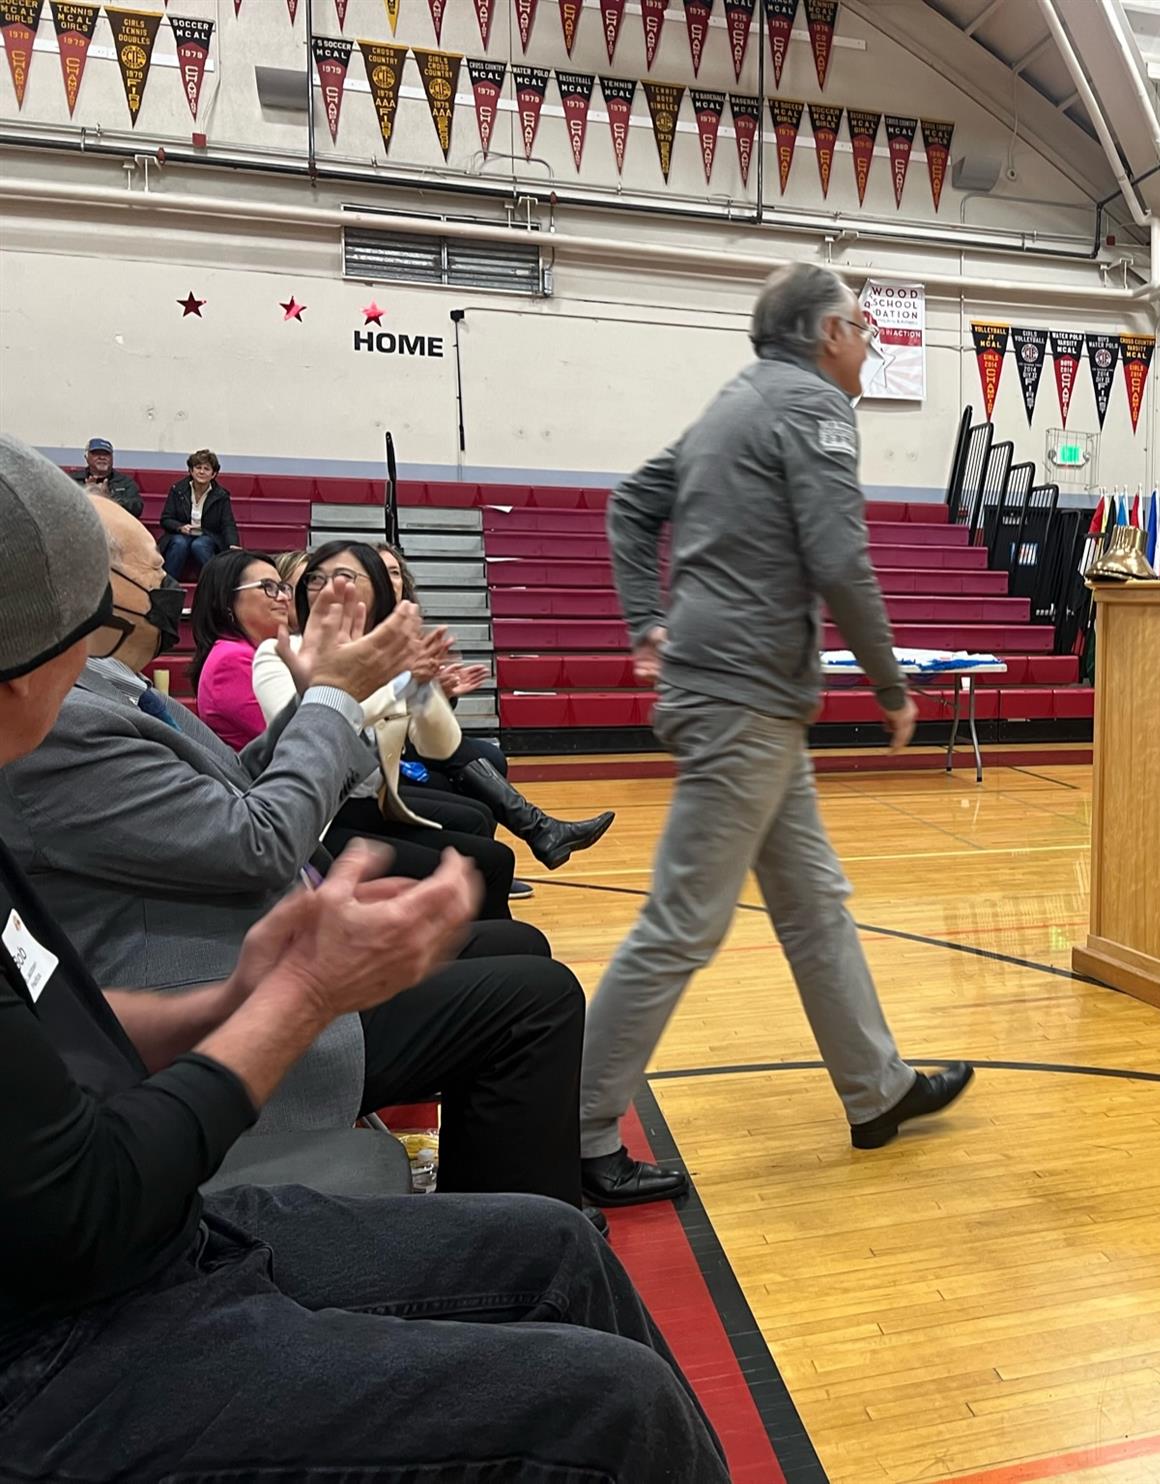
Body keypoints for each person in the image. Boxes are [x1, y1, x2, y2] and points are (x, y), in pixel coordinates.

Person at [0, 436, 730, 1484]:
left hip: (140, 1247)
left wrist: (237, 988)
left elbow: (71, 1028)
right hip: (62, 1355)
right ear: (28, 667)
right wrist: (298, 995)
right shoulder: (73, 727)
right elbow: (89, 1202)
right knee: (620, 1407)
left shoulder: (67, 721)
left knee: (557, 1247)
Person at [0, 492, 650, 1207]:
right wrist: (335, 695)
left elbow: (245, 780)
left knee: (514, 943)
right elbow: (261, 840)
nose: (168, 585)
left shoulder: (112, 692)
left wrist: (343, 692)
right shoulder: (72, 720)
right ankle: (516, 1220)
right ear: (84, 587)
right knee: (535, 995)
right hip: (220, 1001)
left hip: (264, 929)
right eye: (154, 570)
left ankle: (506, 1200)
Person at [579, 263, 973, 1207]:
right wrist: (891, 684)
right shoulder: (814, 406)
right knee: (683, 922)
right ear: (826, 334)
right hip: (743, 699)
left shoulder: (733, 402)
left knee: (813, 904)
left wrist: (646, 622)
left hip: (742, 696)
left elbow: (631, 504)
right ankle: (575, 1124)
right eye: (861, 326)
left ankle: (877, 1090)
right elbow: (840, 558)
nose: (870, 342)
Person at [254, 542, 525, 917]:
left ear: (377, 591)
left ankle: (483, 941)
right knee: (475, 867)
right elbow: (314, 722)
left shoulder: (385, 657)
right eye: (316, 578)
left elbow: (438, 746)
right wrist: (400, 685)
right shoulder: (279, 651)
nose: (330, 588)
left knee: (495, 857)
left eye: (345, 577)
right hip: (321, 821)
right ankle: (471, 945)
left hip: (374, 805)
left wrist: (426, 689)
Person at [376, 540, 617, 870]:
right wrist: (420, 688)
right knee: (466, 764)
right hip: (382, 750)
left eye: (394, 572)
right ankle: (534, 835)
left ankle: (502, 855)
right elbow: (381, 705)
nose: (390, 580)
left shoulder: (408, 630)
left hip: (409, 739)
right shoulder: (365, 633)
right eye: (381, 572)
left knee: (490, 757)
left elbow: (417, 711)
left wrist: (442, 692)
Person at [191, 548, 292, 749]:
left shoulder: (245, 652)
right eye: (268, 587)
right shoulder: (231, 660)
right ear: (227, 599)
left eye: (282, 587)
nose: (283, 597)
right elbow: (296, 737)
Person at [158, 447, 239, 578]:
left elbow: (227, 523)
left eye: (206, 469)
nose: (201, 472)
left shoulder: (221, 495)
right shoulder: (177, 490)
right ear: (191, 470)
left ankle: (216, 580)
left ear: (213, 474)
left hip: (208, 536)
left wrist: (233, 544)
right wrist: (180, 527)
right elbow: (166, 519)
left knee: (200, 544)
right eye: (198, 467)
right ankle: (168, 584)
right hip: (181, 534)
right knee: (179, 543)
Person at [70, 435, 142, 517]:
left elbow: (137, 509)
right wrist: (87, 495)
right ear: (86, 457)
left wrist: (109, 498)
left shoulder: (125, 482)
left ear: (112, 458)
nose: (102, 457)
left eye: (106, 454)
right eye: (96, 454)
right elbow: (63, 507)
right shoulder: (72, 481)